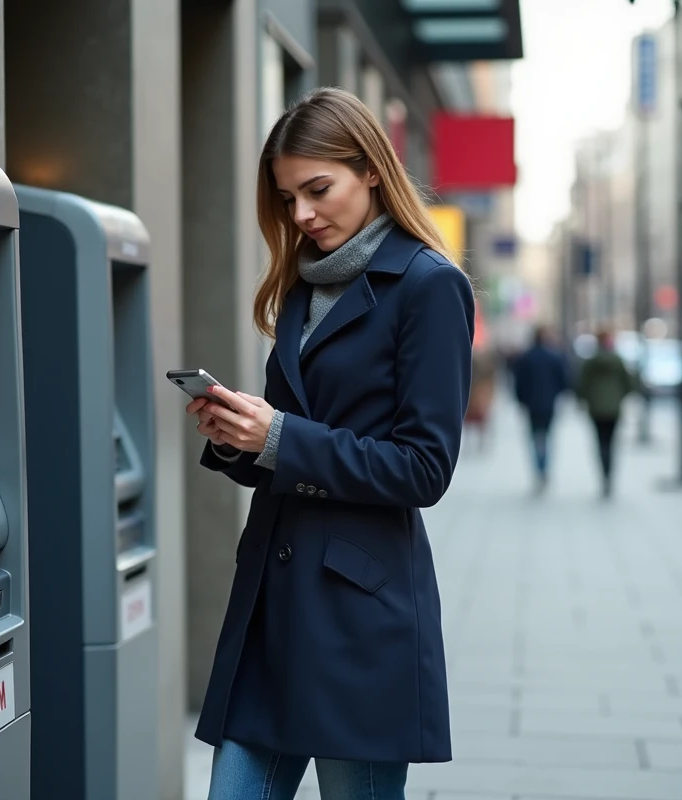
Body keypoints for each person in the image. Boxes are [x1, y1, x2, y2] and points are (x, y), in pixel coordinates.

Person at [183, 87, 475, 800]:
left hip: (358, 618)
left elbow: (425, 469)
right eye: (287, 199)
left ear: (371, 169)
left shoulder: (429, 287)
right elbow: (293, 445)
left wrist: (281, 436)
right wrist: (238, 440)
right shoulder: (301, 288)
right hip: (273, 608)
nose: (303, 215)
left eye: (318, 190)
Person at [576, 328, 636, 499]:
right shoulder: (617, 360)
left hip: (595, 408)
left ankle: (603, 473)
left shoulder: (590, 361)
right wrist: (619, 398)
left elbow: (582, 385)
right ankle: (610, 474)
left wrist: (584, 400)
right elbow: (629, 384)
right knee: (612, 442)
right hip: (614, 408)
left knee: (600, 442)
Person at [511, 324, 571, 492]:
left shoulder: (526, 357)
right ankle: (544, 468)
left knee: (534, 437)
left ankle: (539, 468)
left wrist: (521, 399)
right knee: (547, 436)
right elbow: (564, 381)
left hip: (531, 404)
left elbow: (518, 382)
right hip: (549, 403)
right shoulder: (554, 357)